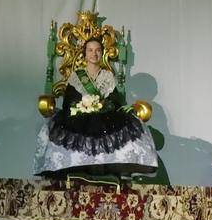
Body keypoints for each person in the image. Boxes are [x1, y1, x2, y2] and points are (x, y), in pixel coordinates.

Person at [33, 36, 158, 177]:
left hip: (105, 117)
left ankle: (109, 171)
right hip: (79, 117)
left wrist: (100, 106)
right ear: (85, 54)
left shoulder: (108, 76)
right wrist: (83, 106)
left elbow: (115, 102)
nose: (94, 54)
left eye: (98, 50)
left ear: (102, 53)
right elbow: (68, 102)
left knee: (125, 126)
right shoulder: (76, 76)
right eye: (90, 50)